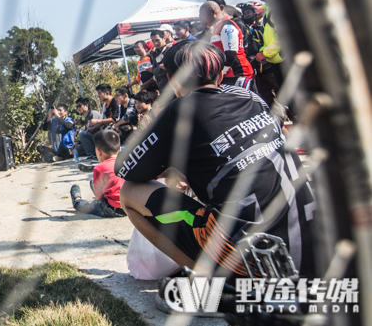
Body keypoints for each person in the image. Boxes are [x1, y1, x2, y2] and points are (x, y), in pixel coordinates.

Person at [115, 40, 316, 279]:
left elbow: (125, 168)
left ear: (172, 79)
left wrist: (171, 169)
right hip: (312, 238)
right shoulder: (251, 98)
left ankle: (211, 282)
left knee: (129, 193)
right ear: (220, 74)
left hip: (254, 258)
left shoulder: (180, 111)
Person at [70, 130, 126, 217]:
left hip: (111, 209)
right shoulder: (127, 163)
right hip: (129, 207)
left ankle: (77, 200)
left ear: (99, 152)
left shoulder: (99, 168)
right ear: (119, 149)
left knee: (88, 206)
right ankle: (100, 185)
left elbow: (99, 197)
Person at [199, 0, 254, 89]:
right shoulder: (217, 27)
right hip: (228, 75)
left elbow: (231, 53)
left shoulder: (227, 25)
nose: (201, 19)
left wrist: (219, 74)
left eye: (202, 15)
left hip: (237, 74)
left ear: (213, 11)